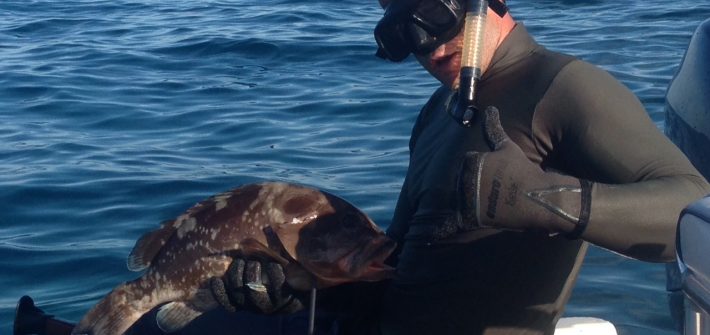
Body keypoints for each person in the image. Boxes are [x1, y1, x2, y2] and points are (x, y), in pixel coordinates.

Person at [27, 1, 705, 334]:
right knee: (180, 319)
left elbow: (694, 206)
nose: (425, 44)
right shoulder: (438, 114)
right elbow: (404, 268)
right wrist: (298, 284)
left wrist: (549, 200)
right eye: (398, 29)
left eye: (433, 15)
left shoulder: (564, 87)